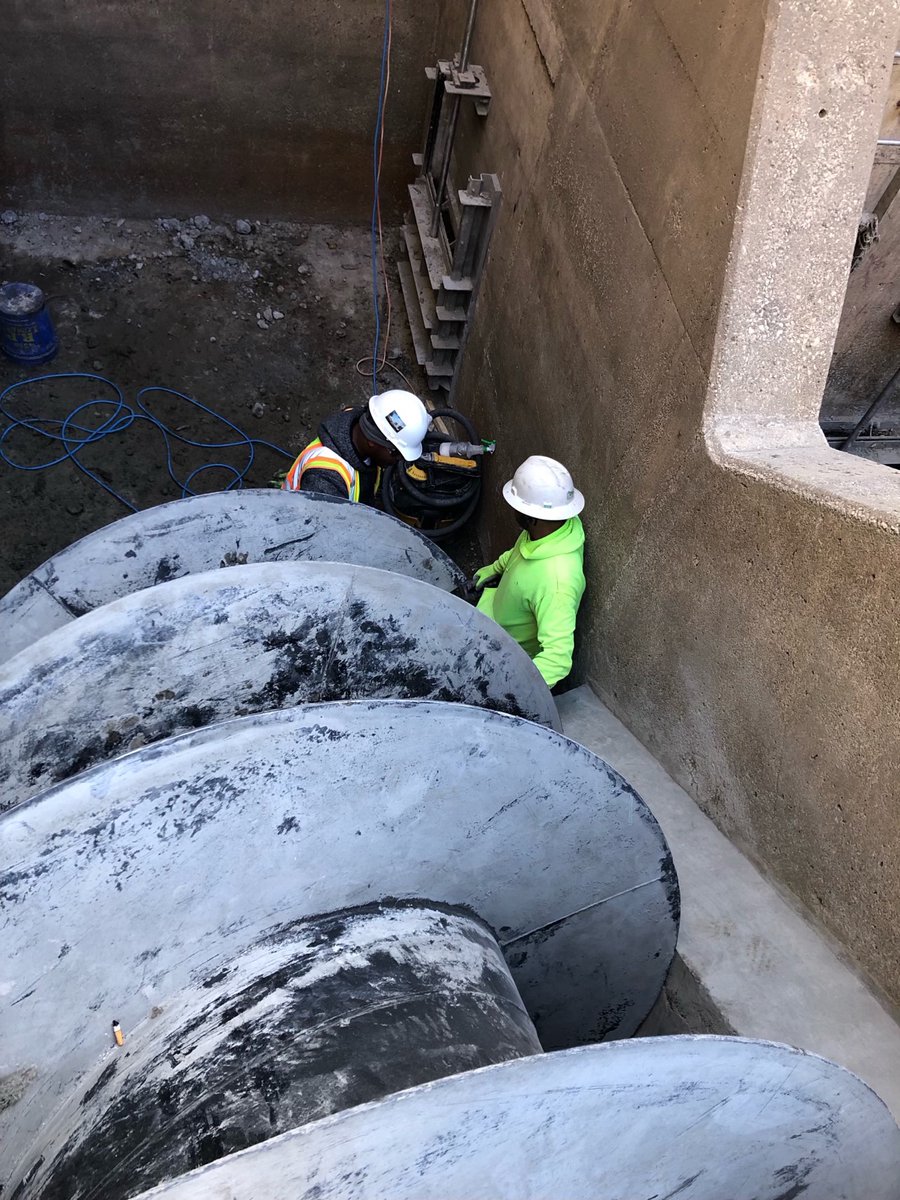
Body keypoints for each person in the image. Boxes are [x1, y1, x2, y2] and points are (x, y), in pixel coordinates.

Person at [474, 455, 585, 690]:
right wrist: (495, 568)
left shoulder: (557, 582)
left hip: (504, 654)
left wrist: (514, 690)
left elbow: (557, 659)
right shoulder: (550, 532)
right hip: (490, 614)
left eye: (517, 506)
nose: (513, 510)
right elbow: (520, 551)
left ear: (532, 516)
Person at [282, 390, 431, 504]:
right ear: (373, 442)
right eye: (396, 453)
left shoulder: (357, 422)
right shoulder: (325, 480)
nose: (399, 460)